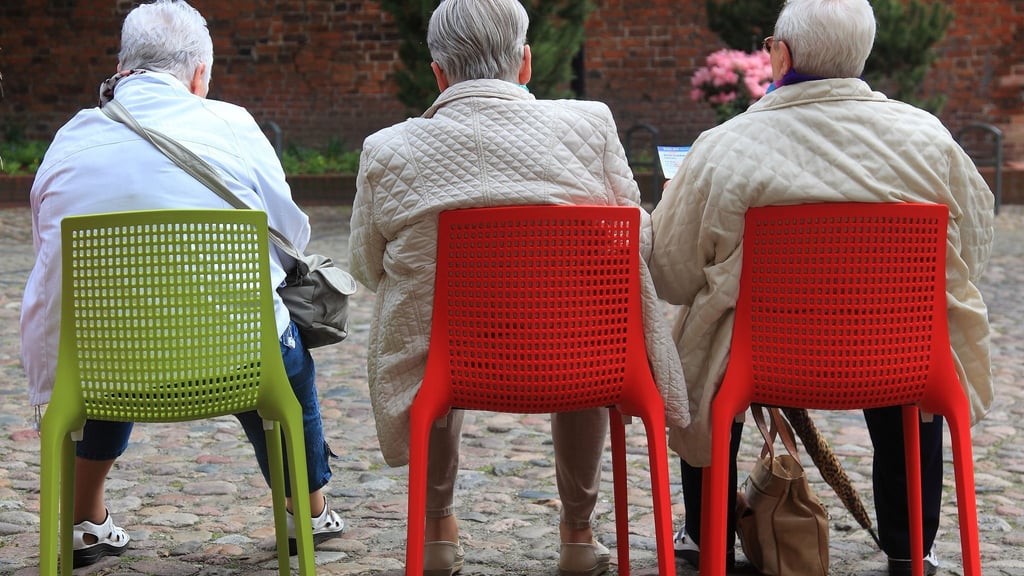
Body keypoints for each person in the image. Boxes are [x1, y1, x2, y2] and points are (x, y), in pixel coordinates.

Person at [648, 1, 994, 575]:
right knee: (912, 335)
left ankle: (704, 535)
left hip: (758, 359)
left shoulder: (724, 146)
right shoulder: (928, 138)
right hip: (897, 353)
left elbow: (672, 273)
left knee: (697, 332)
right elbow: (974, 250)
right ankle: (914, 545)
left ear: (779, 55)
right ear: (862, 55)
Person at [348, 0, 688, 574]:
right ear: (525, 63)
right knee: (587, 328)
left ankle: (436, 534)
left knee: (428, 321)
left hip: (451, 363)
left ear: (438, 73)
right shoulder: (591, 124)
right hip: (579, 356)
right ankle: (579, 536)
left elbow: (364, 266)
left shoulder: (387, 149)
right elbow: (633, 235)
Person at [20, 0, 344, 568]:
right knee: (280, 349)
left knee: (112, 329)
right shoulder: (234, 124)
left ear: (122, 69)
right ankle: (307, 512)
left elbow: (46, 243)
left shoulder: (71, 139)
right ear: (199, 74)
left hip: (101, 364)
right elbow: (291, 229)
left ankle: (83, 519)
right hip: (239, 358)